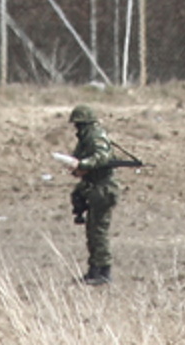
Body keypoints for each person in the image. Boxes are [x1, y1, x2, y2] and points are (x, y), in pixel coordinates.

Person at [68, 103, 122, 286]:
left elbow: (102, 156)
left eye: (79, 124)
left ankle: (104, 272)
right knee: (92, 231)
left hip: (103, 188)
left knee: (99, 232)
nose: (76, 128)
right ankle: (94, 271)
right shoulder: (86, 138)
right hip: (93, 186)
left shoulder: (95, 136)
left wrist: (84, 165)